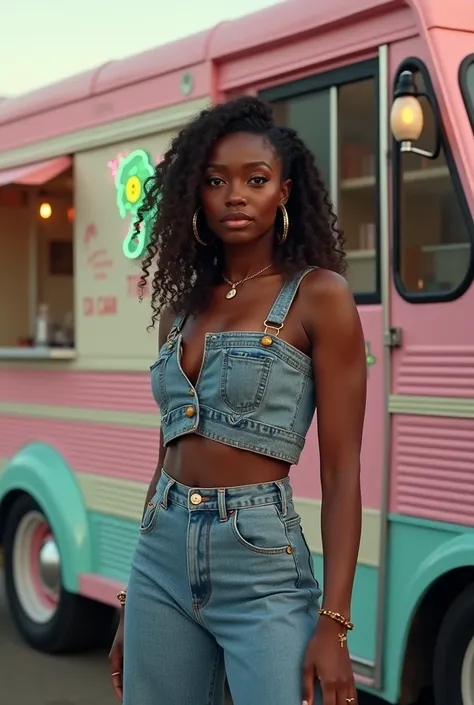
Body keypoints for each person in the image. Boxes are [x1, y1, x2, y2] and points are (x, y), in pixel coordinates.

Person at [109, 95, 366, 705]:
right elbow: (167, 450)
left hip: (260, 558)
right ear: (195, 194)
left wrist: (334, 622)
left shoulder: (319, 297)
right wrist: (131, 604)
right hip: (161, 551)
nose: (235, 196)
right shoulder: (181, 308)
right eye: (216, 181)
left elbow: (342, 469)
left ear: (283, 191)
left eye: (256, 180)